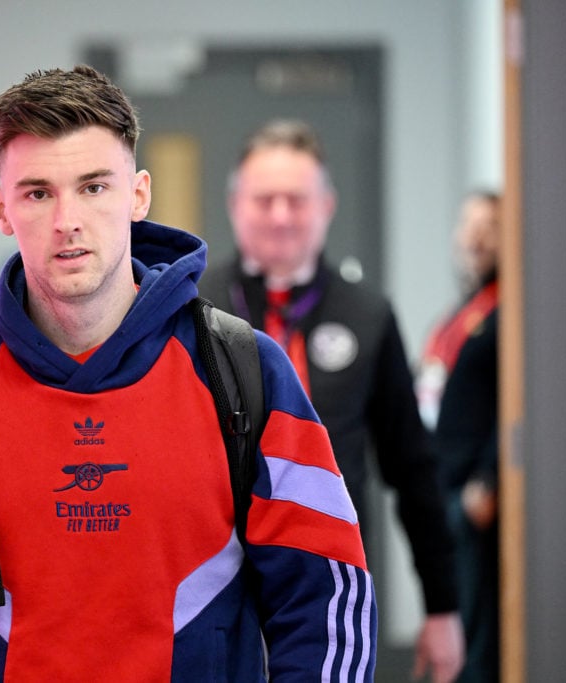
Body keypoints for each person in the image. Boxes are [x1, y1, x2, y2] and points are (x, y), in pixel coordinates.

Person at [0, 66, 376, 682]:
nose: (67, 219)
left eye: (94, 187)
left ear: (139, 195)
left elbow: (327, 607)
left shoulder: (245, 371)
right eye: (38, 193)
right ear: (1, 209)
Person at [198, 119, 463, 683]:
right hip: (211, 578)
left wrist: (442, 608)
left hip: (330, 578)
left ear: (327, 205)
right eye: (263, 199)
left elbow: (412, 468)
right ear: (234, 204)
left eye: (296, 199)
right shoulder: (192, 308)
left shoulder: (367, 314)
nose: (279, 215)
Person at [415, 191, 500, 683]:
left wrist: (488, 477)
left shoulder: (506, 315)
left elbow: (515, 404)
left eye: (489, 225)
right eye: (468, 224)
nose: (475, 236)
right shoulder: (459, 315)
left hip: (473, 499)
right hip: (441, 489)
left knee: (476, 640)